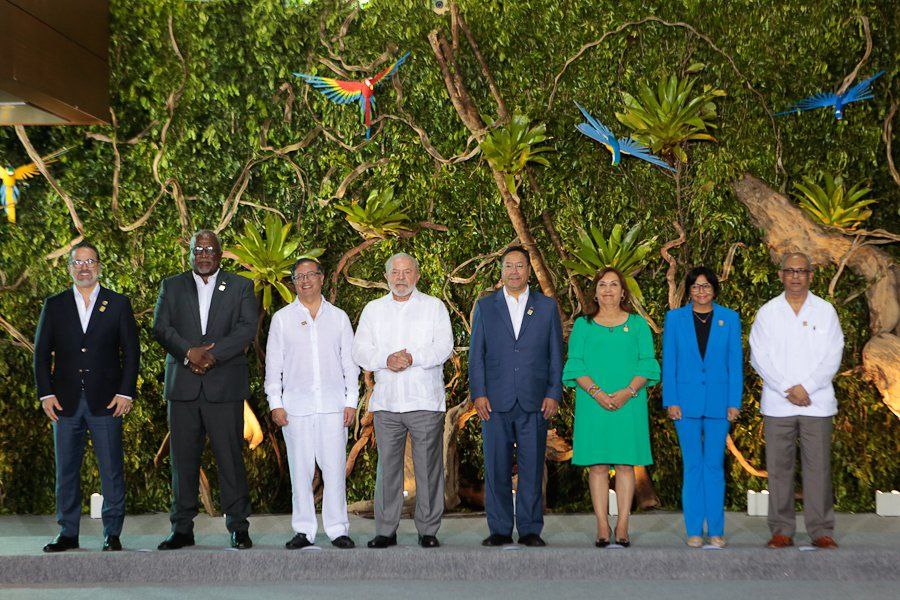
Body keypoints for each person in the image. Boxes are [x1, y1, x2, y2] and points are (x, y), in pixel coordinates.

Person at [152, 229, 259, 550]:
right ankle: (181, 528)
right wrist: (188, 352)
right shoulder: (171, 286)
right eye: (198, 249)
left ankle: (238, 527)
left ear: (220, 253)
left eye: (210, 249)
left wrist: (211, 355)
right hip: (183, 388)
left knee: (230, 459)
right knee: (183, 461)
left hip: (224, 387)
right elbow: (161, 327)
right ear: (190, 253)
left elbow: (246, 329)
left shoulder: (240, 286)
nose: (204, 254)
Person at [34, 241, 139, 552]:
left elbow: (131, 353)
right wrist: (45, 393)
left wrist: (126, 391)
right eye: (77, 262)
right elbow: (41, 354)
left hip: (106, 401)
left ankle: (112, 533)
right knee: (66, 469)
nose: (84, 267)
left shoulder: (118, 304)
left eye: (89, 261)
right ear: (69, 268)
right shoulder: (54, 305)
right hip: (64, 402)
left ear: (99, 266)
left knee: (111, 469)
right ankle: (67, 532)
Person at [352, 252, 453, 549]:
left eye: (407, 272)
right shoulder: (373, 310)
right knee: (388, 469)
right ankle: (386, 530)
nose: (400, 277)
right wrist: (385, 359)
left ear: (417, 275)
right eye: (395, 272)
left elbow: (444, 347)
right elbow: (359, 350)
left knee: (428, 468)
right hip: (387, 404)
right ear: (386, 277)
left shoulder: (434, 307)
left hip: (424, 400)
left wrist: (412, 359)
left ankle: (428, 530)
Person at [469, 246, 563, 547]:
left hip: (535, 399)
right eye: (508, 266)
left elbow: (555, 354)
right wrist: (479, 393)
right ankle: (498, 528)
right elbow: (477, 355)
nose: (513, 271)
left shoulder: (547, 307)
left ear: (528, 270)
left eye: (519, 266)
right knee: (496, 466)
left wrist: (553, 392)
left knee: (532, 466)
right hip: (494, 401)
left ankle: (530, 529)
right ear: (501, 271)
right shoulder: (485, 307)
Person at [750, 252, 843, 550]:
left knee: (819, 469)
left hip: (818, 403)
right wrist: (788, 388)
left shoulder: (825, 311)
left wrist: (809, 387)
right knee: (779, 469)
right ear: (781, 275)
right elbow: (758, 357)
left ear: (811, 276)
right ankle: (781, 530)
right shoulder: (767, 312)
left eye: (801, 271)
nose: (795, 276)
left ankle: (821, 531)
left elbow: (834, 354)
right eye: (789, 270)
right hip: (779, 403)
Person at [562, 267, 658, 547]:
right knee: (598, 466)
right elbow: (575, 363)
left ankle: (624, 525)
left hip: (629, 403)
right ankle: (603, 525)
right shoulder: (583, 325)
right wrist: (597, 393)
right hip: (593, 405)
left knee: (626, 465)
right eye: (602, 285)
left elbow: (647, 363)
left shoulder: (638, 325)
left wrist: (628, 392)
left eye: (614, 285)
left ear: (623, 291)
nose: (607, 290)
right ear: (595, 291)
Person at [265, 258, 358, 550]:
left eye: (310, 275)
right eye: (299, 276)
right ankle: (303, 530)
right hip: (295, 409)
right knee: (300, 473)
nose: (305, 280)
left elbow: (350, 363)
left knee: (334, 471)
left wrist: (352, 401)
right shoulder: (282, 318)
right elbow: (273, 366)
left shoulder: (339, 317)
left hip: (333, 407)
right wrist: (275, 403)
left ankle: (337, 529)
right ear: (293, 282)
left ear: (321, 278)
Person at [662, 266, 742, 548]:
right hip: (685, 405)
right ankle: (694, 530)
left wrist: (734, 402)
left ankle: (717, 531)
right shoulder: (675, 319)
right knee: (693, 466)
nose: (701, 291)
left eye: (706, 286)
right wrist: (671, 400)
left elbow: (735, 363)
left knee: (714, 467)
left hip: (720, 404)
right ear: (689, 290)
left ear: (714, 289)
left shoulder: (729, 319)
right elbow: (669, 362)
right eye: (695, 286)